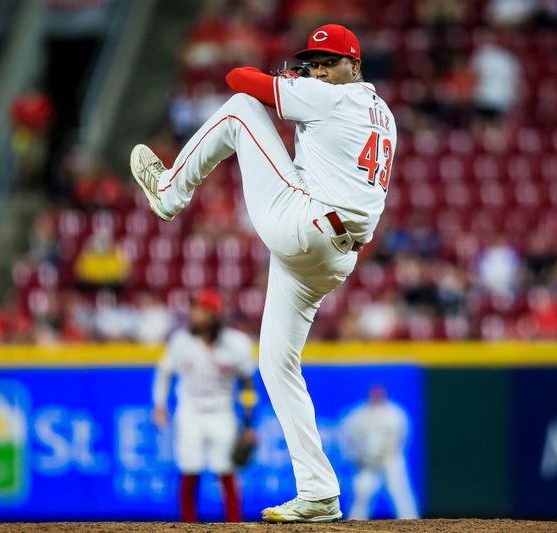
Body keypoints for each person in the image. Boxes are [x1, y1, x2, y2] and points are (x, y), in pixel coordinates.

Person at [131, 24, 396, 523]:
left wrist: (287, 80)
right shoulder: (382, 114)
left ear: (354, 67)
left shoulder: (334, 98)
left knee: (240, 111)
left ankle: (168, 193)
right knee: (275, 365)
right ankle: (318, 492)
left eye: (328, 61)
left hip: (308, 227)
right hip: (335, 252)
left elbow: (237, 77)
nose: (317, 70)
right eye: (312, 62)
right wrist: (298, 82)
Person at [152, 288, 257, 523]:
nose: (194, 313)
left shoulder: (236, 343)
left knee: (226, 470)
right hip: (190, 410)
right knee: (190, 468)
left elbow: (248, 384)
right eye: (194, 308)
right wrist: (159, 405)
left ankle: (233, 525)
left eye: (200, 309)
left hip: (222, 411)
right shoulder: (181, 340)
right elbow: (164, 373)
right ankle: (188, 525)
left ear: (214, 314)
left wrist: (249, 423)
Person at [341, 385, 419, 520]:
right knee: (362, 492)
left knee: (400, 492)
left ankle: (412, 523)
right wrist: (356, 456)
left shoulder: (394, 413)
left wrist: (389, 451)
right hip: (367, 463)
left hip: (390, 460)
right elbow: (347, 438)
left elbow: (402, 436)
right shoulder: (358, 414)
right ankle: (355, 523)